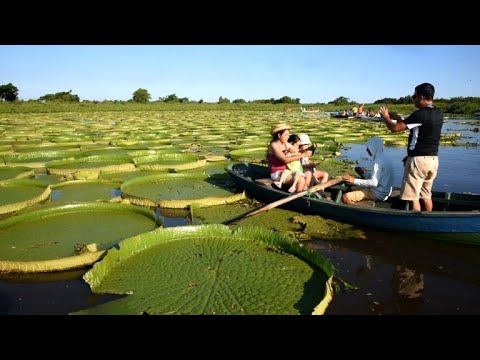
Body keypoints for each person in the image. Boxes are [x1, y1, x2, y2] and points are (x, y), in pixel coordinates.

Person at [379, 82, 443, 211]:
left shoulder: (420, 114)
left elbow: (395, 128)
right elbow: (417, 125)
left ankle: (417, 221)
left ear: (422, 97)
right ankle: (429, 220)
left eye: (414, 96)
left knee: (413, 197)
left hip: (418, 161)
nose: (413, 99)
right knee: (426, 195)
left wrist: (386, 117)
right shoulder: (438, 113)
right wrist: (397, 117)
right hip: (433, 160)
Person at [341, 136, 395, 205]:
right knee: (351, 188)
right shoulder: (386, 157)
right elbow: (379, 177)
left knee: (345, 197)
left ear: (373, 147)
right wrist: (364, 174)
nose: (367, 150)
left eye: (368, 148)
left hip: (377, 193)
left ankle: (364, 204)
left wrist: (354, 180)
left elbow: (374, 183)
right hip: (386, 192)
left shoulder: (377, 161)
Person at [267, 123, 312, 193]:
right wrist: (303, 155)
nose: (288, 137)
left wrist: (306, 150)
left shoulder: (285, 144)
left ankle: (302, 193)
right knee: (301, 180)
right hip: (276, 173)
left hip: (287, 171)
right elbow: (285, 160)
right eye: (286, 135)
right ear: (279, 135)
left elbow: (297, 151)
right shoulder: (274, 145)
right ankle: (298, 198)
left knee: (308, 174)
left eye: (288, 134)